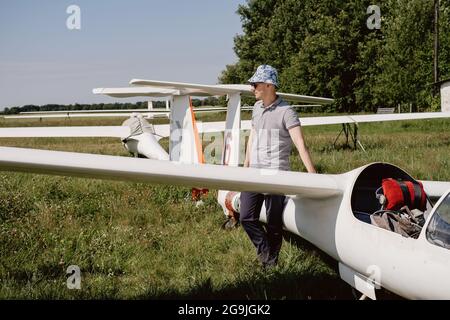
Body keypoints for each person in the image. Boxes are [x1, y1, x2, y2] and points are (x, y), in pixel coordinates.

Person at [241, 64, 316, 268]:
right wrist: (246, 166)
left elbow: (300, 144)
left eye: (255, 84)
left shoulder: (287, 112)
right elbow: (252, 137)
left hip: (276, 176)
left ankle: (270, 264)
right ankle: (267, 253)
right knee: (246, 218)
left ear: (268, 85)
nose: (252, 87)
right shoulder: (256, 109)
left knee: (274, 225)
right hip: (254, 173)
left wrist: (314, 177)